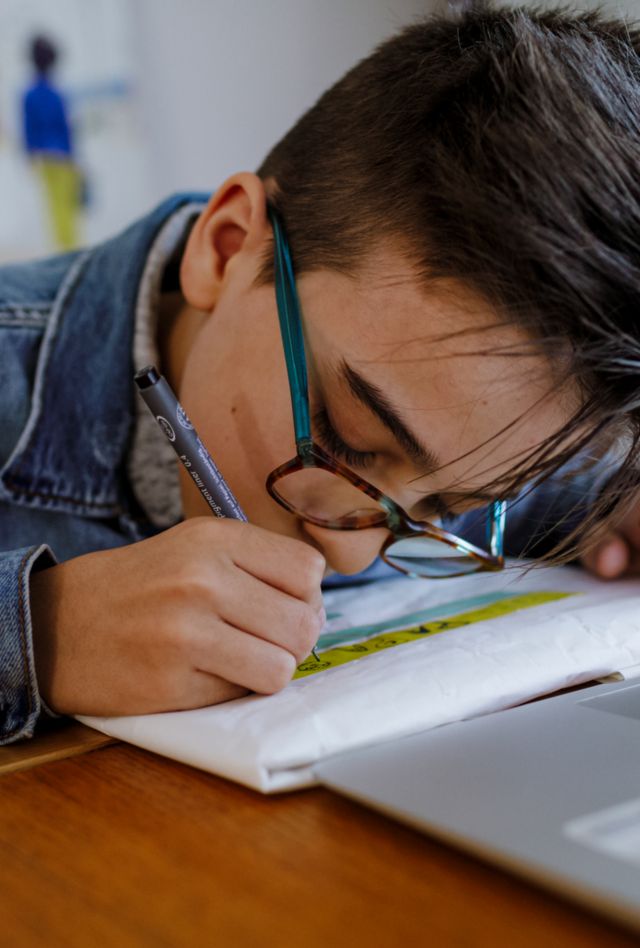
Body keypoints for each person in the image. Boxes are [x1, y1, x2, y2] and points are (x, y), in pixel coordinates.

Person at [2, 5, 640, 745]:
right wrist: (40, 635)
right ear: (227, 246)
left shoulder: (496, 433)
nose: (349, 553)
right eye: (348, 441)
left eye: (448, 506)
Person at [22, 34, 80, 250]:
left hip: (44, 158)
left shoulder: (29, 94)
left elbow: (28, 128)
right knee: (69, 207)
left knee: (54, 208)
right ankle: (72, 249)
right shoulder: (57, 93)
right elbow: (67, 128)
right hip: (63, 156)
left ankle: (62, 248)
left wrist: (29, 156)